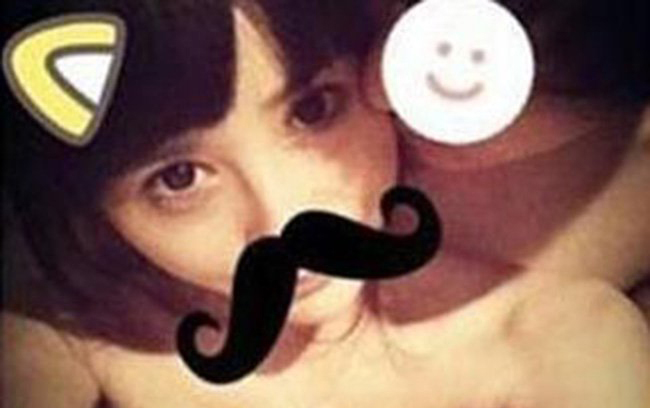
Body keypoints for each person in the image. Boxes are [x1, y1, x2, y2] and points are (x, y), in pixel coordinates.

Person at [2, 0, 649, 407]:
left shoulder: (560, 344)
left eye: (313, 109)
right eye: (178, 178)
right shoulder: (70, 338)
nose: (283, 221)